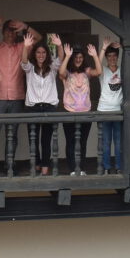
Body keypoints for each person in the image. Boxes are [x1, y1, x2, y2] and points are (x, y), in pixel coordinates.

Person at [0, 17, 38, 170]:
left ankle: (9, 164)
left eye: (13, 30)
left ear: (17, 33)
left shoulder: (22, 47)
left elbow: (38, 38)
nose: (11, 33)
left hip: (17, 97)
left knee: (12, 136)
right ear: (3, 32)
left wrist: (25, 25)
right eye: (8, 30)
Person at [54, 37, 100, 175]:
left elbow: (98, 71)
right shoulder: (67, 73)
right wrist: (67, 56)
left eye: (80, 57)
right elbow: (60, 72)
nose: (78, 59)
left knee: (83, 142)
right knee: (71, 142)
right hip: (69, 112)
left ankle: (82, 168)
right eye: (76, 57)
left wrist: (96, 55)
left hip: (85, 112)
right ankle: (73, 169)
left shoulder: (86, 71)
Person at [23, 40, 61, 175]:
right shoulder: (30, 68)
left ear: (47, 54)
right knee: (33, 138)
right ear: (35, 53)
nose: (41, 55)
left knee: (46, 139)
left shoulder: (52, 67)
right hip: (32, 107)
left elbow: (60, 59)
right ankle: (37, 163)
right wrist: (25, 47)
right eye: (38, 52)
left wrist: (59, 45)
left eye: (44, 52)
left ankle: (45, 165)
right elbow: (23, 62)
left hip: (49, 107)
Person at [97, 45, 125, 173]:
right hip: (104, 110)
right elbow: (97, 62)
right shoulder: (102, 70)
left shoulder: (122, 70)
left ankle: (119, 167)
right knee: (106, 142)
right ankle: (107, 167)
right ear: (106, 58)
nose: (112, 58)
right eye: (109, 56)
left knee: (119, 143)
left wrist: (123, 46)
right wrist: (103, 49)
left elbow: (129, 58)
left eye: (114, 56)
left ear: (117, 57)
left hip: (119, 111)